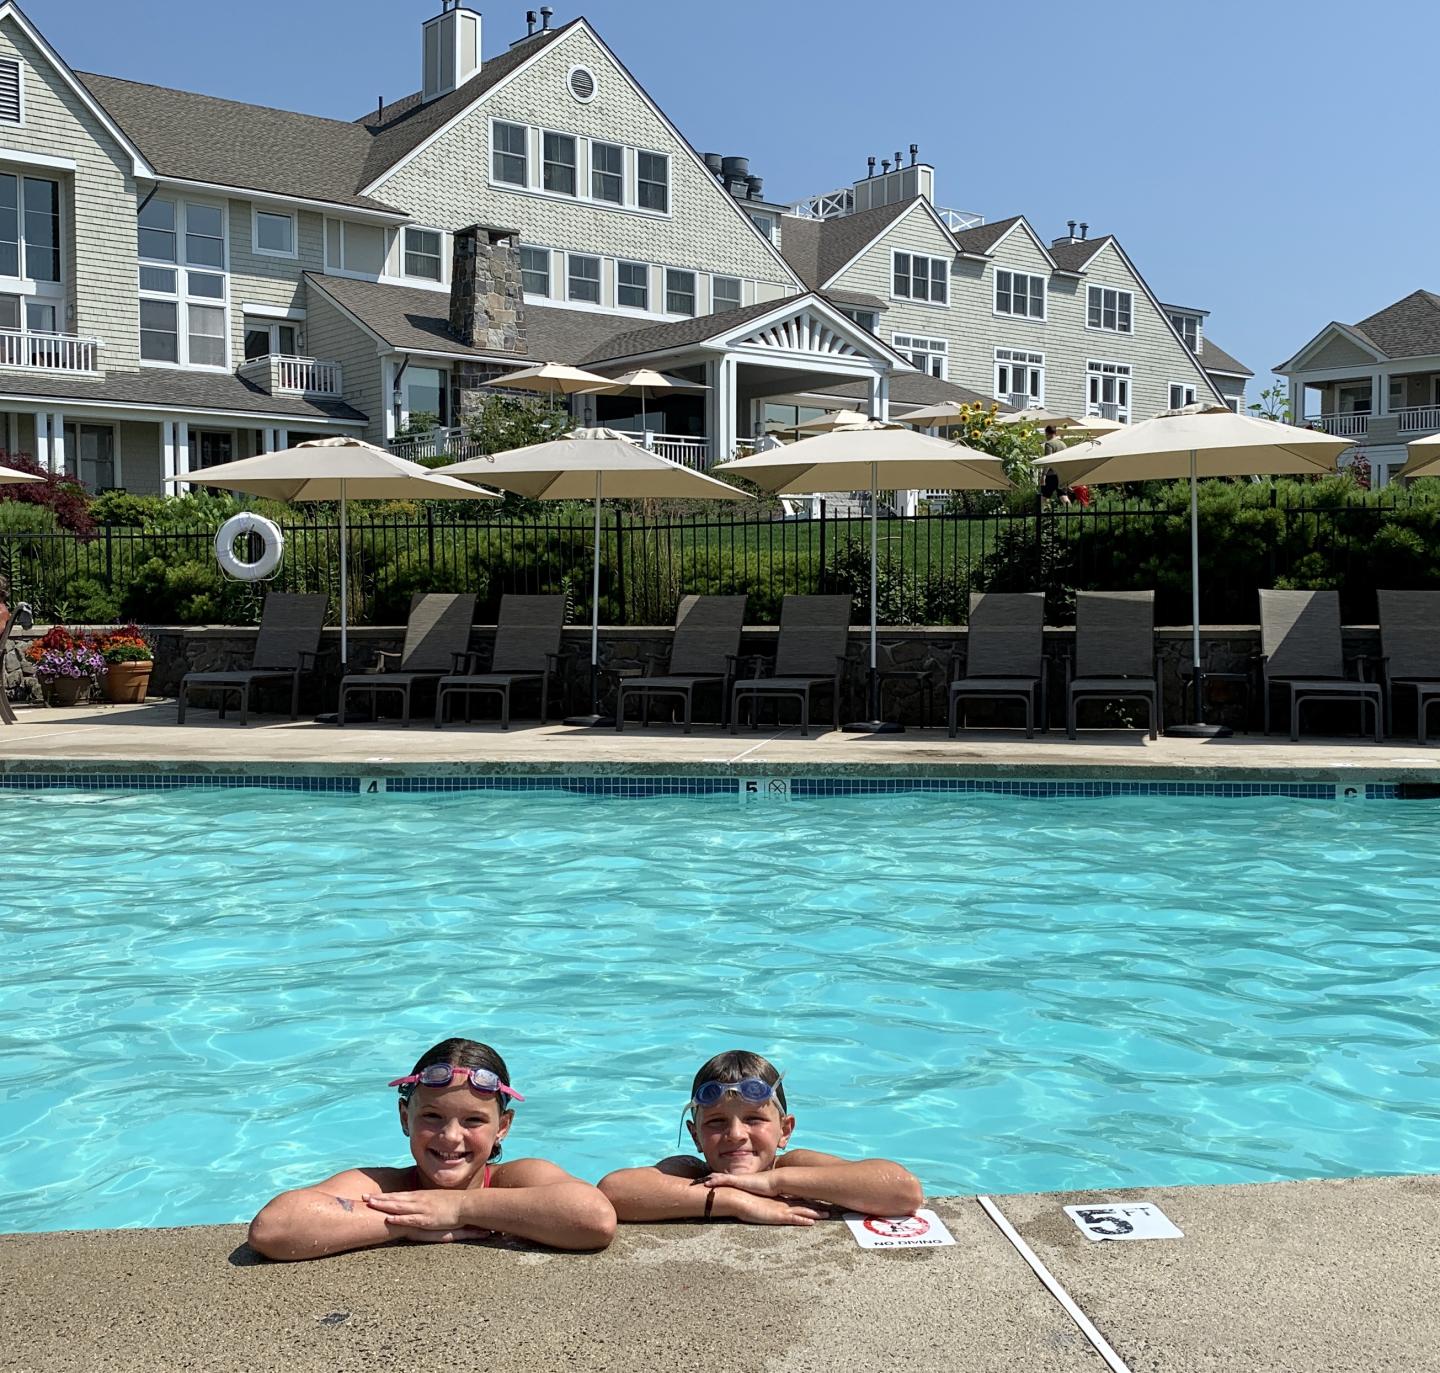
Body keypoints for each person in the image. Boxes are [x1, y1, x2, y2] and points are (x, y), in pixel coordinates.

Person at [247, 1037, 616, 1261]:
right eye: (432, 1116)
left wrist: (458, 1206)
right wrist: (409, 1224)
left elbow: (594, 1218)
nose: (451, 1137)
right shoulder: (382, 1188)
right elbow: (273, 1228)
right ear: (405, 1117)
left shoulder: (517, 1178)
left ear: (502, 1127)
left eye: (473, 1121)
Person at [598, 1050, 922, 1226]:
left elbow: (902, 1190)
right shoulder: (690, 1171)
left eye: (753, 1118)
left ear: (785, 1130)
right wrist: (736, 1201)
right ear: (695, 1136)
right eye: (716, 1122)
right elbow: (613, 1192)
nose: (736, 1135)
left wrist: (774, 1184)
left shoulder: (793, 1165)